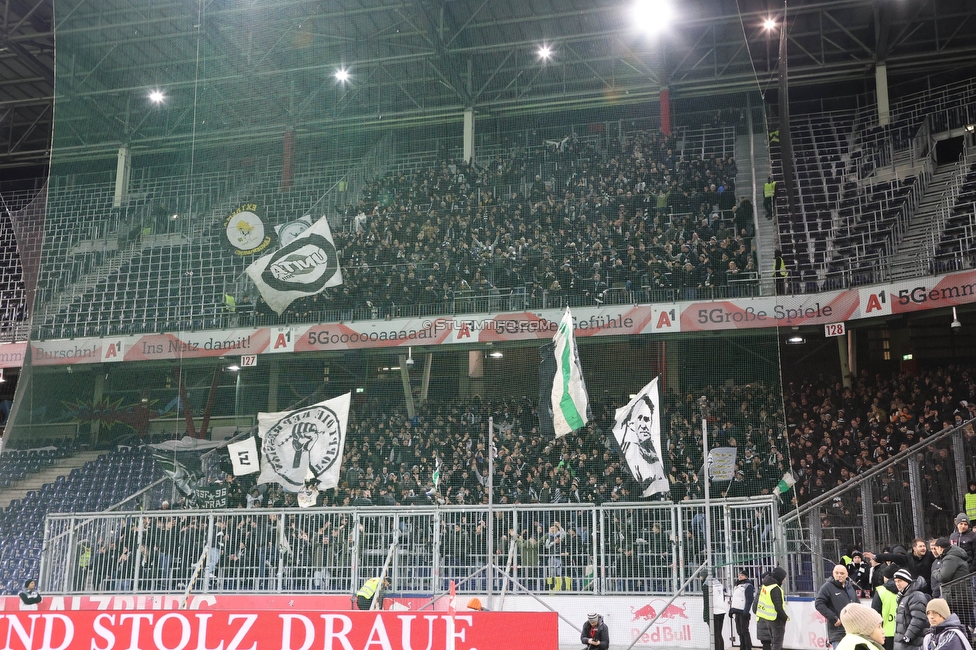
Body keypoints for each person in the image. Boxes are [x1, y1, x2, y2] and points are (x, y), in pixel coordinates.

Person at [611, 394, 668, 497]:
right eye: (639, 419)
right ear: (630, 424)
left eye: (646, 419)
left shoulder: (655, 450)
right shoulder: (629, 450)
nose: (642, 425)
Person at [817, 565, 860, 649]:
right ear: (833, 573)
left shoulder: (850, 587)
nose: (839, 575)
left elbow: (857, 604)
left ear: (847, 574)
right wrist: (833, 617)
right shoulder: (827, 587)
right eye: (836, 573)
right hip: (837, 631)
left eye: (842, 573)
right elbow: (819, 603)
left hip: (852, 630)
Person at [893, 569, 930, 650]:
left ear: (907, 581)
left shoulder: (916, 596)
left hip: (912, 644)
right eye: (895, 581)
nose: (897, 584)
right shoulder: (903, 596)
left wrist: (907, 637)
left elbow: (919, 618)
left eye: (900, 581)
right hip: (904, 644)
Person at [754, 567, 788, 650]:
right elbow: (778, 606)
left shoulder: (765, 586)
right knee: (777, 643)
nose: (785, 579)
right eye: (784, 577)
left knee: (774, 642)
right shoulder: (775, 588)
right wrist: (785, 617)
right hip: (776, 619)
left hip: (767, 618)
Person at [872, 564, 900, 650]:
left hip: (885, 633)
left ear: (886, 577)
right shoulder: (905, 589)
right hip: (903, 632)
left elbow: (875, 614)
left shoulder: (881, 591)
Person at [731, 568, 756, 650]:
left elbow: (749, 599)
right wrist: (731, 609)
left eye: (742, 575)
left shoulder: (748, 586)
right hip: (736, 611)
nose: (740, 577)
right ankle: (742, 647)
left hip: (743, 612)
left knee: (744, 631)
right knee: (739, 632)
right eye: (739, 575)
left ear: (746, 577)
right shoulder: (737, 586)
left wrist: (746, 610)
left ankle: (748, 647)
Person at [703, 575, 729, 650]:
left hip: (714, 612)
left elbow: (706, 602)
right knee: (719, 634)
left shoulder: (707, 585)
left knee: (715, 635)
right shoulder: (719, 584)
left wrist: (705, 616)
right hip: (721, 610)